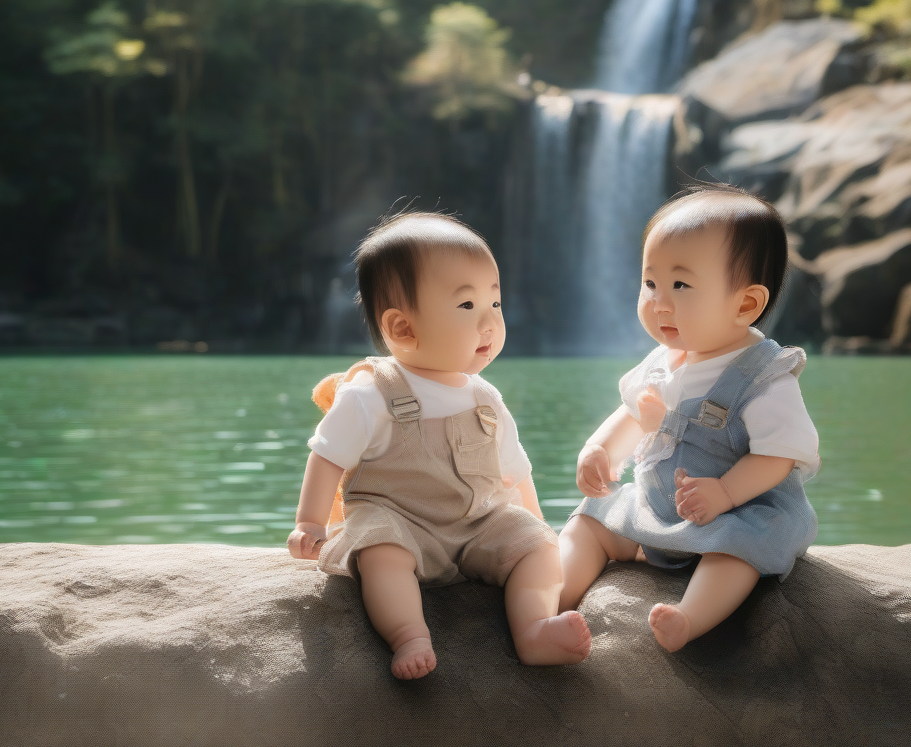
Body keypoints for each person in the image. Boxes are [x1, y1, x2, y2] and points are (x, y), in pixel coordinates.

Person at [287, 212, 591, 679]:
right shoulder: (370, 392)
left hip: (475, 523)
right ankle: (409, 633)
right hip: (398, 518)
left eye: (496, 301)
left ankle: (534, 630)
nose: (490, 321)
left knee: (535, 543)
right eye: (468, 307)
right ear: (403, 329)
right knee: (381, 552)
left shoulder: (485, 397)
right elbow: (326, 455)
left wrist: (536, 528)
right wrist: (310, 522)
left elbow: (516, 470)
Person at [559, 186, 820, 653]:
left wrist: (725, 493)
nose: (659, 302)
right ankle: (554, 597)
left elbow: (778, 457)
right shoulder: (663, 360)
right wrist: (600, 450)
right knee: (592, 519)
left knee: (736, 552)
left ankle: (689, 617)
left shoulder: (763, 376)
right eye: (650, 283)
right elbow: (630, 413)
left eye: (680, 286)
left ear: (744, 305)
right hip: (660, 509)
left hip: (739, 513)